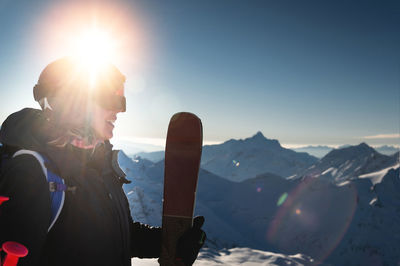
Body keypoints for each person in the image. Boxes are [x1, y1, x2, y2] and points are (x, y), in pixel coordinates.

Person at [0, 57, 206, 266]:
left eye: (121, 97)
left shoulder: (99, 165)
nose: (120, 110)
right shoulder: (31, 172)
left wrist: (170, 243)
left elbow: (112, 237)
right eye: (111, 98)